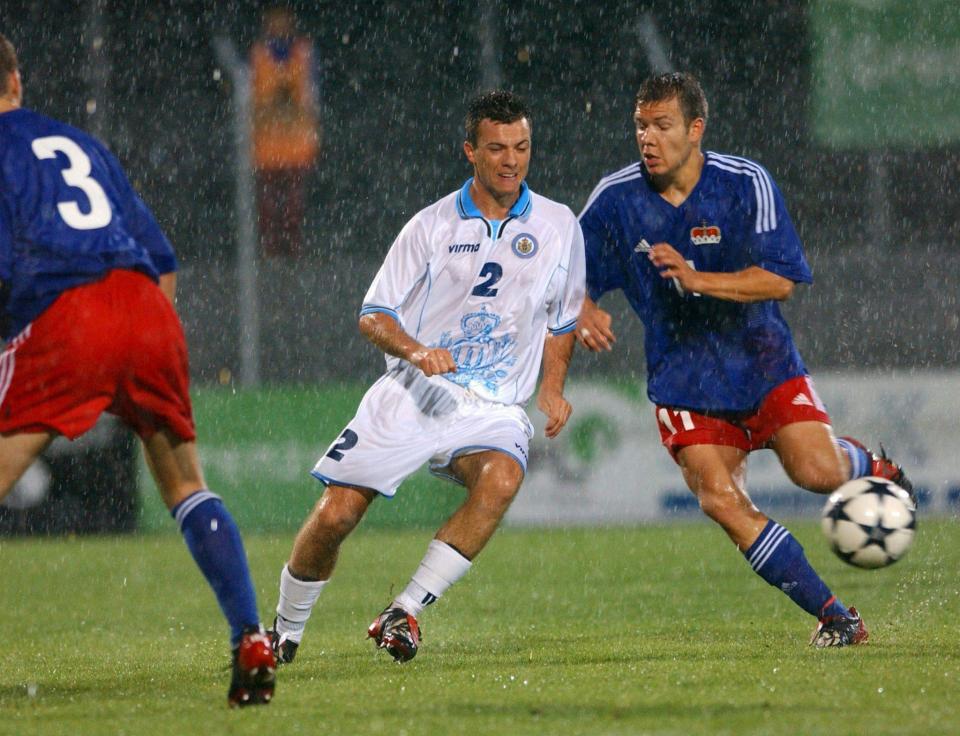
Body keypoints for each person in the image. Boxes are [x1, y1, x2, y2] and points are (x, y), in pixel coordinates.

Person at [576, 72, 912, 648]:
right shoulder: (614, 200)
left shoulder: (744, 182)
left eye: (661, 125)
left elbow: (780, 280)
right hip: (683, 382)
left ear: (695, 128)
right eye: (640, 126)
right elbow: (563, 277)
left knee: (816, 473)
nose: (647, 138)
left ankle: (875, 471)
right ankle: (836, 616)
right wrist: (581, 307)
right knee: (721, 501)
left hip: (763, 363)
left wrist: (696, 278)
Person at [0, 33, 275, 705]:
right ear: (17, 81)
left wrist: (64, 347)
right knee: (185, 484)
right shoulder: (80, 144)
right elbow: (163, 256)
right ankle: (250, 634)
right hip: (148, 307)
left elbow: (8, 266)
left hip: (68, 311)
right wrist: (136, 345)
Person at [269, 90, 585, 664]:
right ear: (470, 150)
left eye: (521, 147)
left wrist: (553, 387)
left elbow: (564, 316)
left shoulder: (559, 224)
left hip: (492, 407)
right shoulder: (432, 225)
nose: (511, 160)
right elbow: (373, 314)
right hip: (415, 392)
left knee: (503, 478)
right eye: (496, 148)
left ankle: (405, 609)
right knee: (338, 513)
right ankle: (284, 632)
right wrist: (417, 351)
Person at [250, 5, 320, 257]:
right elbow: (253, 104)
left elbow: (310, 100)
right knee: (268, 211)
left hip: (297, 147)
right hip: (266, 149)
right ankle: (271, 255)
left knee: (293, 208)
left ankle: (293, 255)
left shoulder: (304, 53)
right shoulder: (258, 55)